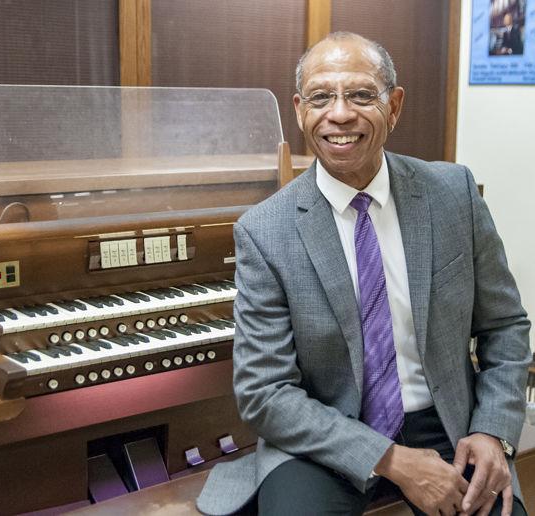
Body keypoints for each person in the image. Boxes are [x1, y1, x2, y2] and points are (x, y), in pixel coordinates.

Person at [197, 32, 531, 516]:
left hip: (446, 425)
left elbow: (504, 326)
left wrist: (492, 430)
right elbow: (264, 392)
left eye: (360, 95)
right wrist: (391, 460)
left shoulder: (453, 194)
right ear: (299, 110)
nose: (339, 114)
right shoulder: (264, 231)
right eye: (320, 97)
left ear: (393, 106)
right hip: (324, 436)